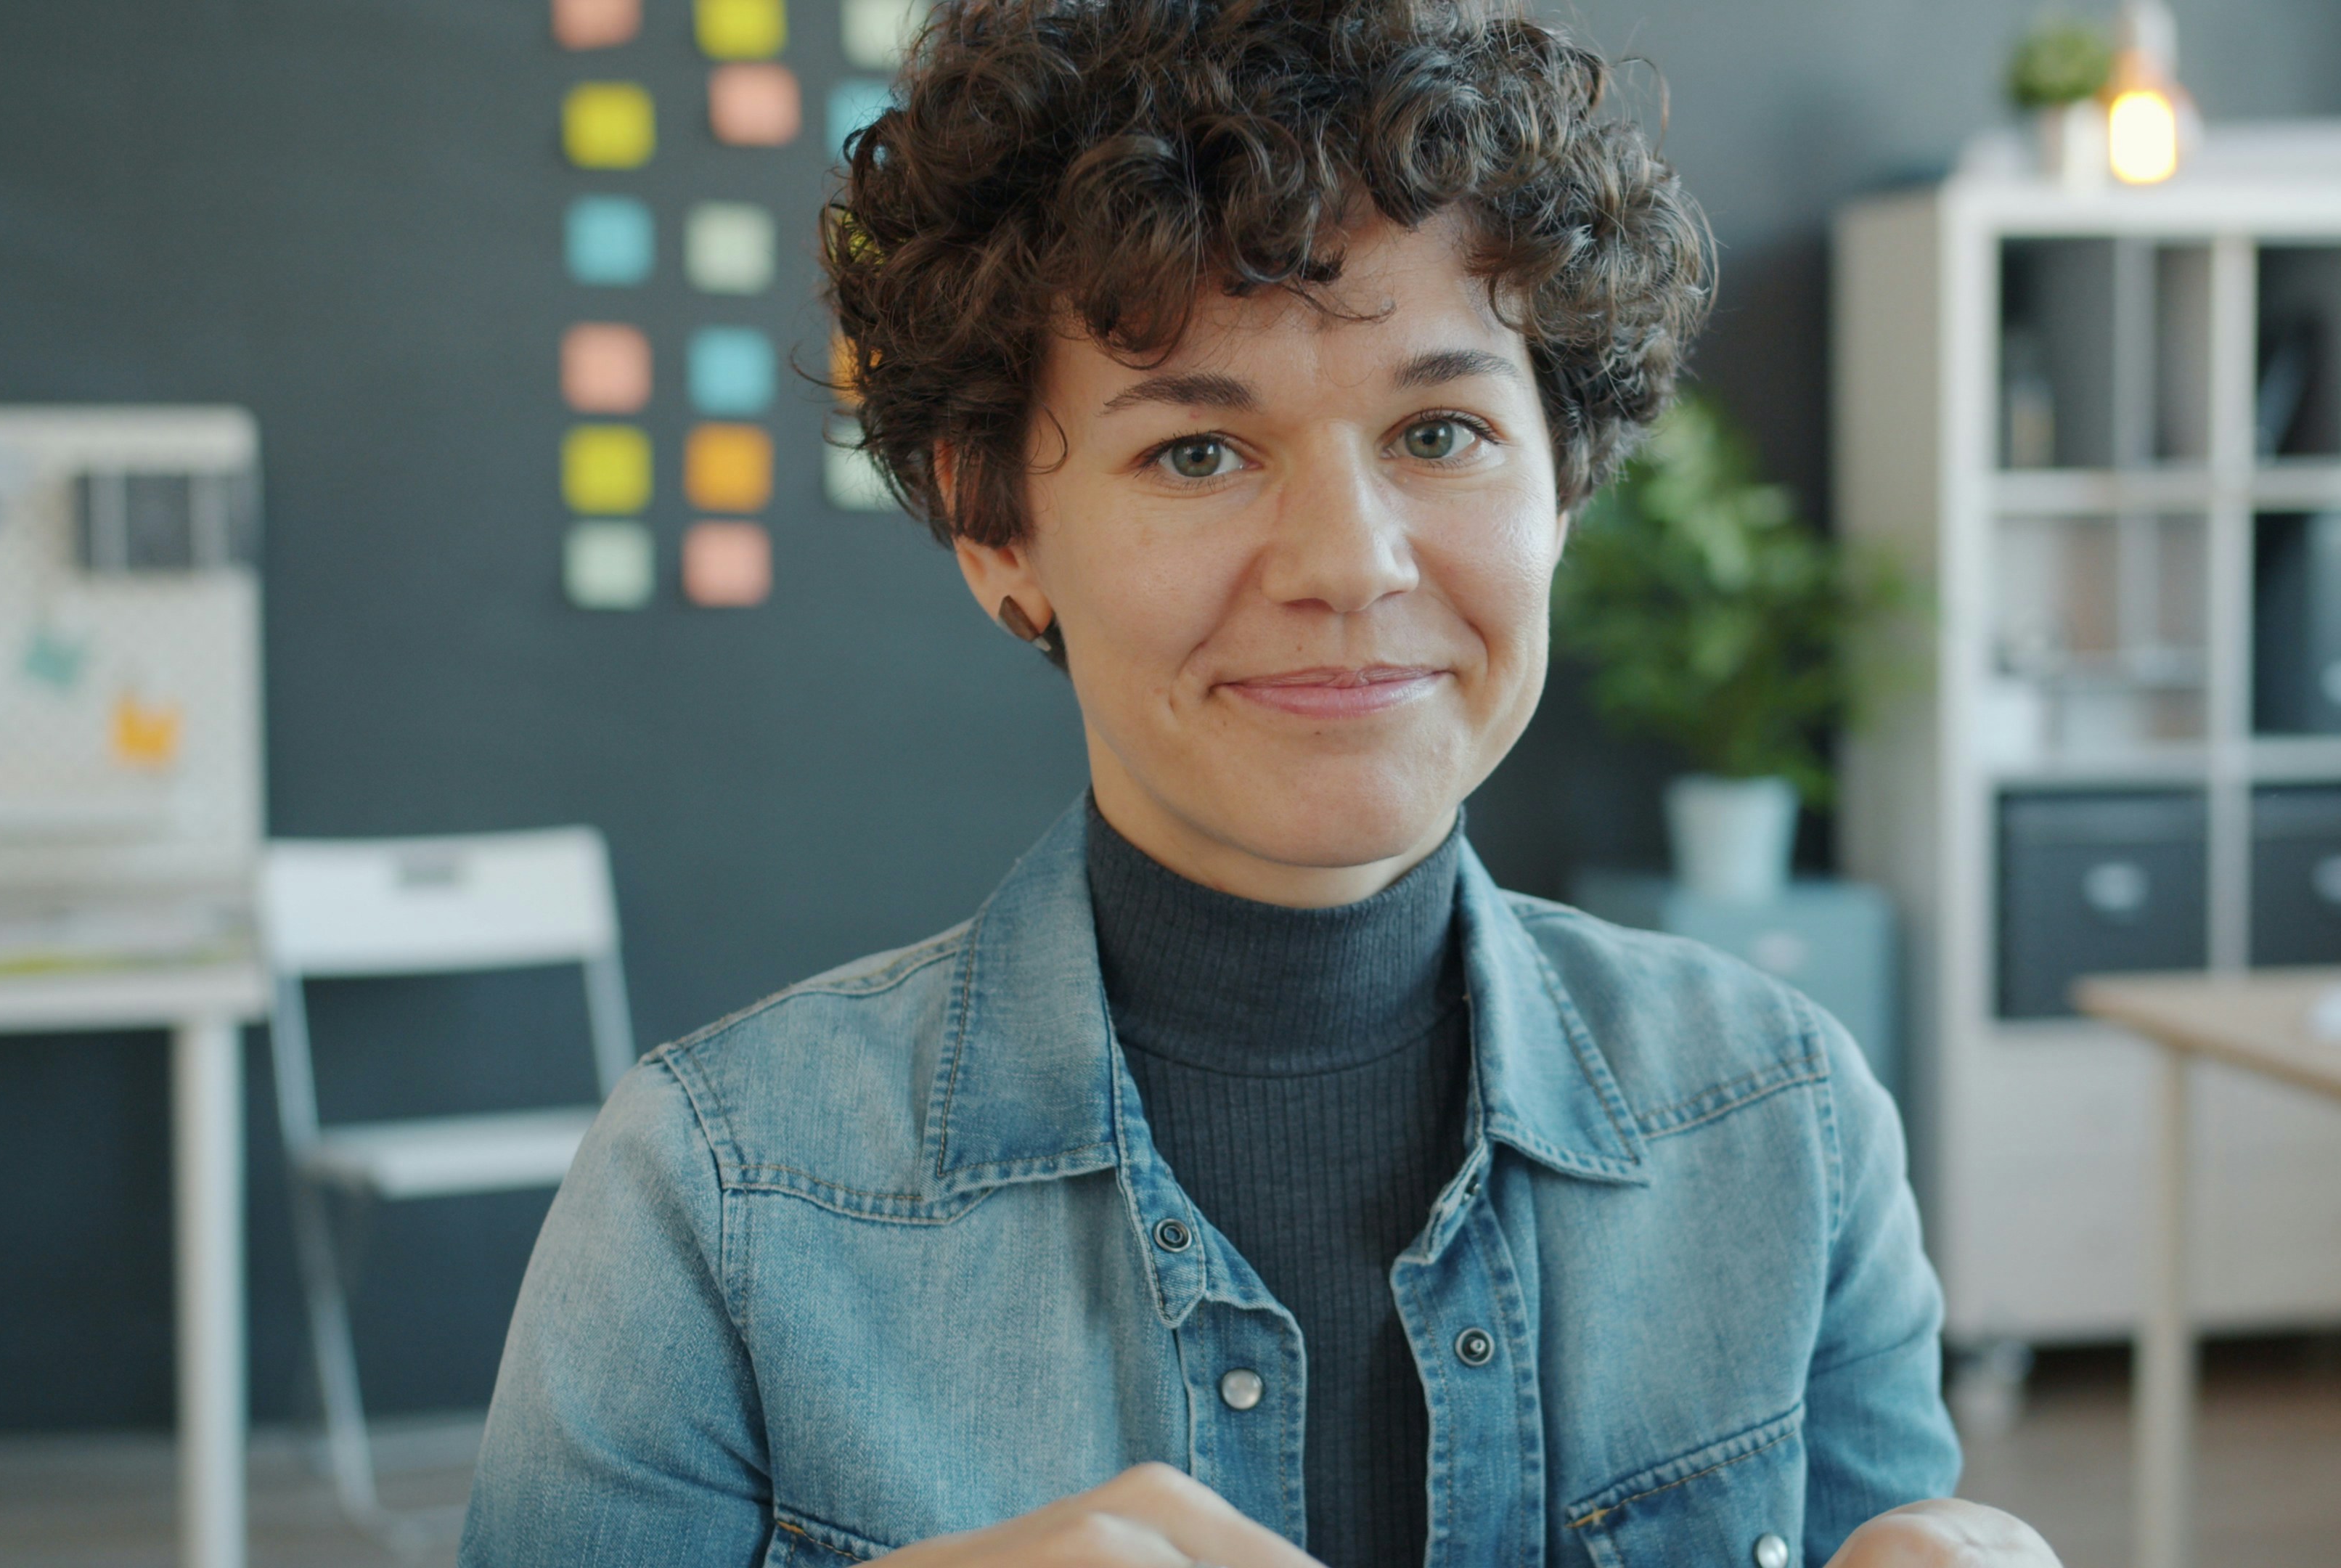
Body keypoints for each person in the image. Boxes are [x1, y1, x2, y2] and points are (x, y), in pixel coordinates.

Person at [462, 2, 2061, 1564]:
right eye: (1199, 453)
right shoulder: (719, 1200)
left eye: (1440, 431)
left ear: (1565, 482)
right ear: (997, 527)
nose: (1349, 566)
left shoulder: (1785, 1124)